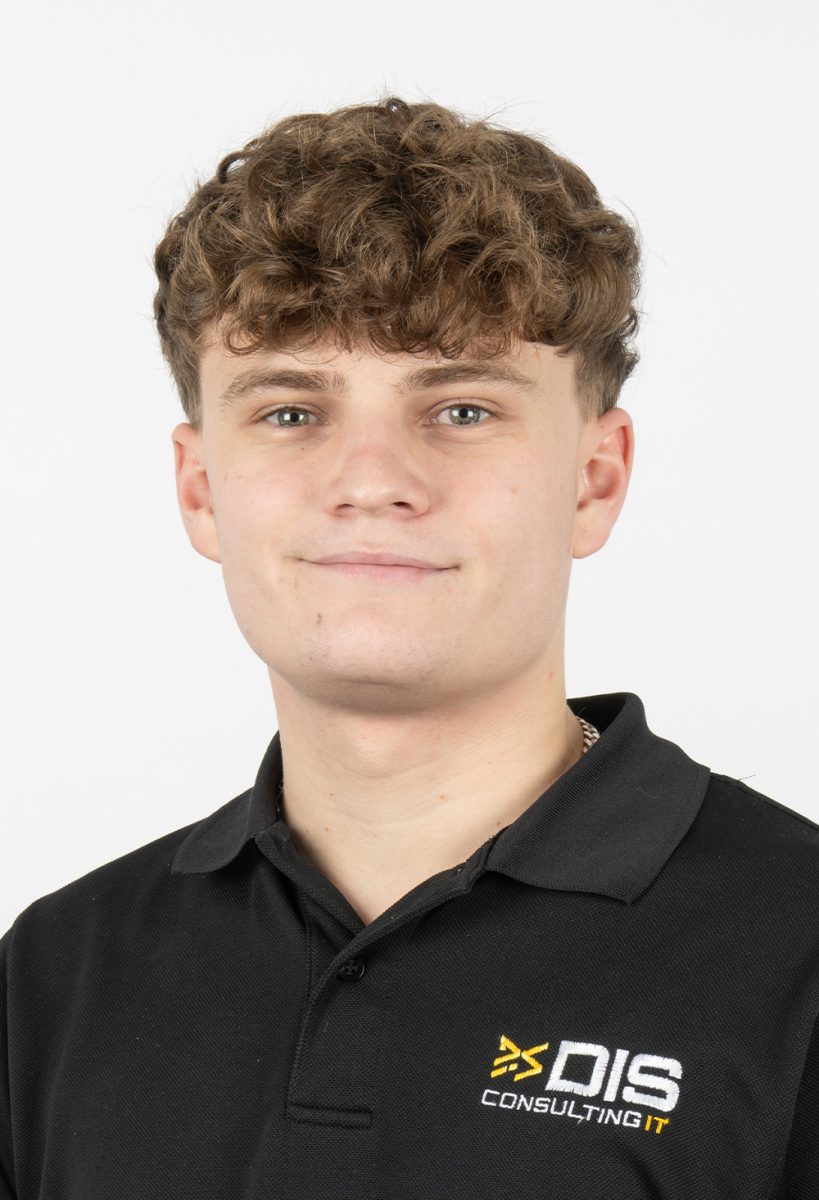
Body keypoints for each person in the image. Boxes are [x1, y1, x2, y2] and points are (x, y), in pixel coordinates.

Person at [1, 95, 816, 1200]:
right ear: (201, 490)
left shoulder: (796, 954)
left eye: (463, 409)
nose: (373, 480)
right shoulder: (59, 973)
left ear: (596, 478)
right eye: (292, 411)